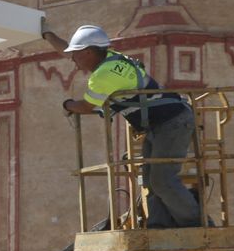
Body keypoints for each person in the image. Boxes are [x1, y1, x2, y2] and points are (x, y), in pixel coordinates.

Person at [42, 23, 201, 228]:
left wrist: (68, 105)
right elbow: (68, 51)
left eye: (76, 55)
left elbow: (87, 106)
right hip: (161, 124)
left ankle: (196, 223)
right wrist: (47, 34)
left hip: (171, 123)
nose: (73, 60)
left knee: (162, 179)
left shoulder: (103, 76)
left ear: (89, 52)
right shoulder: (110, 58)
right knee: (151, 179)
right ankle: (158, 225)